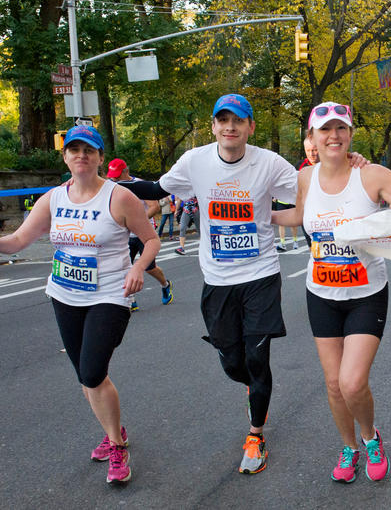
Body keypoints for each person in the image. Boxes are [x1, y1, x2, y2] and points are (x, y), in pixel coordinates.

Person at [113, 93, 372, 475]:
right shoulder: (195, 162)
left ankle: (256, 434)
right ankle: (250, 384)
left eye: (239, 120)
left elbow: (313, 189)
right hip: (216, 280)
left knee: (256, 358)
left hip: (260, 276)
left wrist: (351, 163)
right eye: (223, 120)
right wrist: (106, 184)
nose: (230, 126)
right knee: (235, 363)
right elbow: (157, 190)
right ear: (214, 126)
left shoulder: (268, 163)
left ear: (250, 127)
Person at [0, 126, 160, 484]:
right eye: (73, 149)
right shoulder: (53, 199)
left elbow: (150, 240)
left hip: (110, 294)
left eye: (88, 150)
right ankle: (114, 433)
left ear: (100, 158)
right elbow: (20, 239)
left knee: (92, 372)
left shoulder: (119, 197)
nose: (81, 155)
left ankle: (117, 448)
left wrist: (138, 267)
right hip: (64, 294)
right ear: (65, 156)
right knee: (85, 375)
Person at [272, 101, 391, 484]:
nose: (334, 136)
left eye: (341, 129)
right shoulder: (305, 179)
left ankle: (370, 438)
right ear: (312, 138)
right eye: (325, 130)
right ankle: (348, 447)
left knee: (351, 381)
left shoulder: (371, 175)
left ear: (350, 134)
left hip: (366, 293)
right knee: (333, 384)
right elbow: (299, 215)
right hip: (321, 294)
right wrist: (261, 215)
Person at [106, 158, 173, 309]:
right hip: (125, 235)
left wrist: (136, 222)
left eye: (117, 175)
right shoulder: (111, 185)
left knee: (150, 268)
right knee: (123, 267)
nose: (114, 178)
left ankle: (165, 284)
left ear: (126, 172)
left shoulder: (139, 185)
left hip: (143, 234)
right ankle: (130, 298)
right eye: (112, 175)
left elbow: (154, 206)